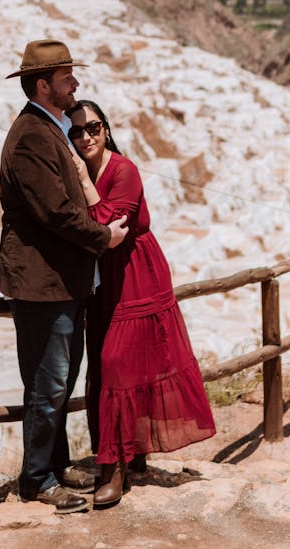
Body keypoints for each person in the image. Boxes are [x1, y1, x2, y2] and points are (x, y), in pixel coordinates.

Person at [0, 41, 128, 515]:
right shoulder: (32, 135)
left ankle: (55, 464)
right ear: (43, 85)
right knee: (49, 382)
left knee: (60, 378)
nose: (76, 84)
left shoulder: (46, 128)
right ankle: (37, 480)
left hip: (57, 281)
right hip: (41, 282)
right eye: (68, 78)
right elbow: (56, 212)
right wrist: (104, 239)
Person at [69, 98, 216, 508]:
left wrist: (82, 179)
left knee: (119, 362)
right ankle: (132, 455)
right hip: (103, 278)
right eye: (76, 131)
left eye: (93, 127)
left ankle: (113, 468)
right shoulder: (83, 168)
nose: (86, 137)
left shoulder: (124, 170)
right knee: (103, 365)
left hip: (136, 271)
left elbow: (107, 222)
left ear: (106, 128)